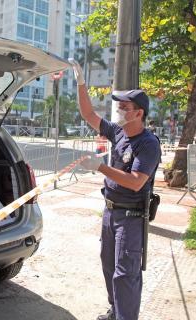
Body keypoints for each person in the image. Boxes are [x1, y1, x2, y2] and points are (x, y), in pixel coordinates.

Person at [71, 61, 161, 320]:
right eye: (119, 106)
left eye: (125, 107)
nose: (119, 110)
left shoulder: (148, 143)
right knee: (109, 266)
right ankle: (116, 312)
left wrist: (100, 167)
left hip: (131, 218)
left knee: (125, 273)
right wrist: (81, 83)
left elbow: (135, 181)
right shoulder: (118, 132)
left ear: (139, 113)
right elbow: (89, 114)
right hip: (110, 213)